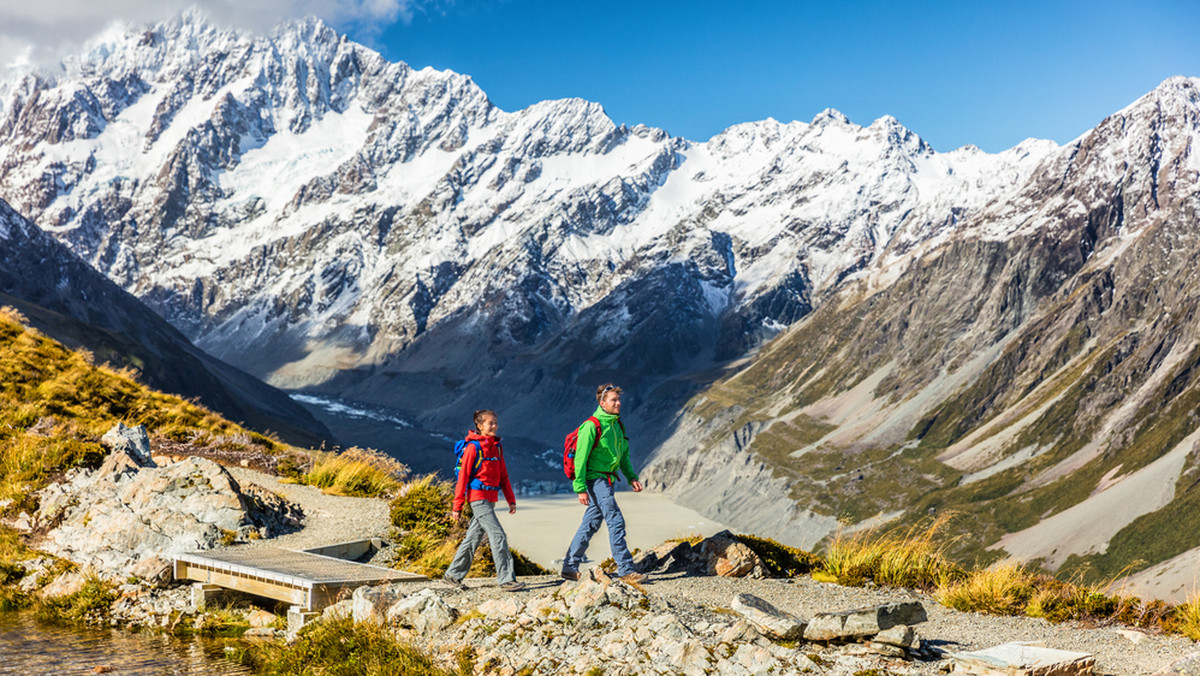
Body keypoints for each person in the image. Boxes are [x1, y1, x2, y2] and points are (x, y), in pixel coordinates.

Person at [560, 383, 648, 584]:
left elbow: (623, 454)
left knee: (591, 523)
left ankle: (569, 567)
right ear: (602, 402)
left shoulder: (617, 424)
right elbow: (580, 459)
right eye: (613, 400)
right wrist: (580, 488)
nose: (618, 403)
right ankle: (626, 570)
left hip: (607, 479)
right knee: (615, 519)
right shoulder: (592, 425)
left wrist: (631, 477)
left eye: (619, 400)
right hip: (595, 479)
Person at [443, 409, 525, 592]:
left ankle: (453, 574)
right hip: (478, 499)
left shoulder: (497, 447)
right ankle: (506, 580)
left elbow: (503, 475)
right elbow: (463, 478)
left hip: (490, 499)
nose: (494, 426)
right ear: (480, 426)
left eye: (496, 422)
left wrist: (511, 499)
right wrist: (457, 506)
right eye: (490, 423)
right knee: (498, 536)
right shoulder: (473, 448)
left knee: (473, 538)